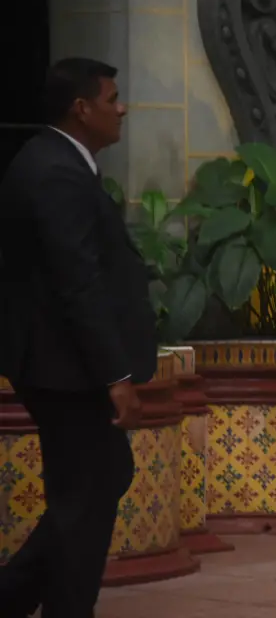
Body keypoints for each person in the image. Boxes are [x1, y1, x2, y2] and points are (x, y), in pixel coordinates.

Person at [0, 58, 158, 618]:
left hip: (64, 364)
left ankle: (14, 595)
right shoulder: (54, 172)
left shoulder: (60, 162)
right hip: (63, 368)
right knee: (84, 492)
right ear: (82, 109)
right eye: (112, 99)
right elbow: (77, 281)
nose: (122, 109)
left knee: (102, 477)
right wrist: (115, 376)